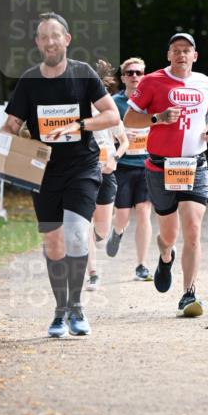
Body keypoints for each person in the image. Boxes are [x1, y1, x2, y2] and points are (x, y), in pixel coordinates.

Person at [0, 12, 120, 337]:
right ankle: (60, 309)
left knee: (78, 234)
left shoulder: (83, 74)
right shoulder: (29, 81)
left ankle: (77, 307)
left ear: (66, 39)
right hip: (43, 171)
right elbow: (11, 126)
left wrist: (79, 125)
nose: (50, 41)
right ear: (38, 43)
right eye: (44, 37)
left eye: (56, 35)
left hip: (82, 166)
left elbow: (111, 115)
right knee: (54, 244)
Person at [123, 33, 208, 317]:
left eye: (186, 50)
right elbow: (129, 119)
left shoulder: (204, 82)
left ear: (195, 56)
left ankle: (189, 294)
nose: (181, 55)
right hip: (161, 166)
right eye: (176, 50)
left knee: (192, 229)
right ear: (168, 55)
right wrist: (158, 118)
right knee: (169, 234)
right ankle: (166, 257)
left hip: (195, 164)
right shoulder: (151, 81)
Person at [106, 57, 154, 280]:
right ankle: (117, 232)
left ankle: (142, 265)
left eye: (138, 73)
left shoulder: (151, 100)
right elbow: (103, 129)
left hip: (146, 164)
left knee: (144, 211)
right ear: (123, 77)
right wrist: (122, 134)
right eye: (130, 73)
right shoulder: (114, 103)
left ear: (144, 76)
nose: (135, 76)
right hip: (123, 165)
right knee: (122, 216)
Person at [86, 60, 129, 290]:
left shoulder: (109, 109)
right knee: (84, 223)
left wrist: (114, 159)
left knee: (101, 230)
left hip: (107, 171)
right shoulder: (77, 107)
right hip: (83, 173)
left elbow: (124, 142)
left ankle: (102, 236)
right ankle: (93, 273)